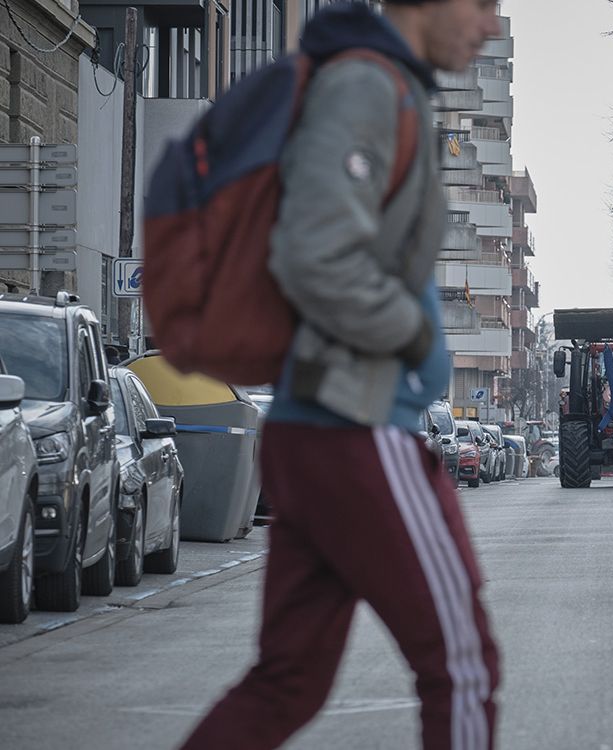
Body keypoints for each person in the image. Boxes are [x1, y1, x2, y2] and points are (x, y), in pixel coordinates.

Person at [180, 2, 502, 749]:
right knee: (463, 666)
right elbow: (313, 256)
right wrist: (416, 333)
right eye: (482, 5)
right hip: (357, 426)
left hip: (319, 429)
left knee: (287, 680)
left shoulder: (383, 85)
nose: (488, 26)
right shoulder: (366, 87)